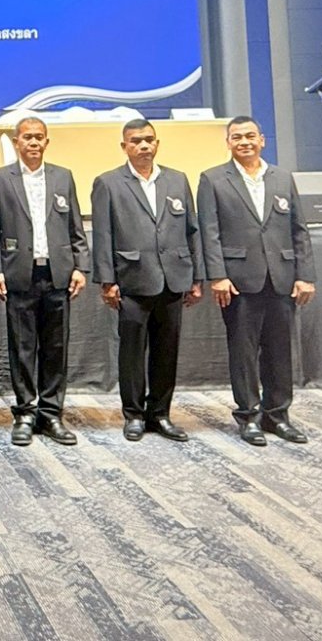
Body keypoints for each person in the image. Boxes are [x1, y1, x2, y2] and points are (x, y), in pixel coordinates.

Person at [197, 116, 317, 446]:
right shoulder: (212, 179)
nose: (244, 142)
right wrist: (218, 275)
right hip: (238, 281)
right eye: (237, 137)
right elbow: (209, 233)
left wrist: (305, 275)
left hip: (282, 279)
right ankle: (248, 416)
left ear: (262, 140)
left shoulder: (282, 177)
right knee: (244, 352)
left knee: (280, 352)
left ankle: (277, 415)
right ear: (228, 143)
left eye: (250, 136)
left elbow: (299, 230)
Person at [90, 119, 202, 443]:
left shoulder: (177, 180)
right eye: (136, 141)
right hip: (132, 280)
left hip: (173, 278)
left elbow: (191, 230)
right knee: (132, 352)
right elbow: (103, 234)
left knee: (167, 351)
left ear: (157, 144)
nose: (143, 146)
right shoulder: (108, 183)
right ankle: (134, 415)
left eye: (149, 140)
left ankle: (160, 413)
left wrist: (196, 277)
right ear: (124, 146)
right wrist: (107, 280)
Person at [0, 117, 89, 446]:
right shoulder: (0, 178)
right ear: (17, 142)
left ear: (47, 142)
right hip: (19, 274)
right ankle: (25, 413)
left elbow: (75, 227)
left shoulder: (63, 176)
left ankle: (51, 413)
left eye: (39, 137)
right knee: (22, 347)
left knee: (56, 348)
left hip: (58, 274)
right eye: (27, 137)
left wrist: (81, 267)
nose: (33, 142)